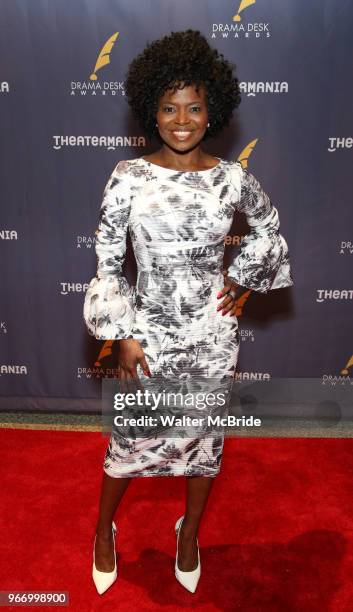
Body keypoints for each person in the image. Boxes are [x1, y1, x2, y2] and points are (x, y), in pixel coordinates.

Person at [83, 29, 294, 595]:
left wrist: (244, 278)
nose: (183, 119)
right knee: (130, 440)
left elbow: (269, 229)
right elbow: (108, 262)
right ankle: (103, 531)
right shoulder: (129, 177)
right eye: (170, 107)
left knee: (204, 443)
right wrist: (123, 331)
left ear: (212, 110)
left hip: (213, 336)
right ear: (151, 111)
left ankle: (188, 533)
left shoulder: (232, 179)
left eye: (194, 107)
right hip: (148, 334)